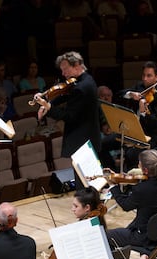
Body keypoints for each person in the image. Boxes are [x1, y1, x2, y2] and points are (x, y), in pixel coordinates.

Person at [35, 51, 101, 190]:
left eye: (65, 69)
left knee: (85, 183)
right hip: (86, 137)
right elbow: (65, 93)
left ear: (77, 65)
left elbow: (68, 116)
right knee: (84, 181)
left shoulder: (82, 87)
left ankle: (88, 208)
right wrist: (46, 97)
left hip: (82, 140)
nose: (63, 74)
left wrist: (48, 107)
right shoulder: (83, 81)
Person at [106, 149, 157, 249]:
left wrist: (113, 186)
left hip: (145, 237)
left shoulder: (142, 189)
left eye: (139, 164)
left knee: (107, 236)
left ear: (145, 170)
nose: (138, 166)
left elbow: (126, 205)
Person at [119, 61, 157, 170]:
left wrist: (143, 111)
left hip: (150, 135)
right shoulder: (139, 87)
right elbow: (120, 93)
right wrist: (131, 94)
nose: (145, 79)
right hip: (131, 131)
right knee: (103, 144)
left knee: (131, 154)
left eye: (149, 76)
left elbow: (153, 123)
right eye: (143, 75)